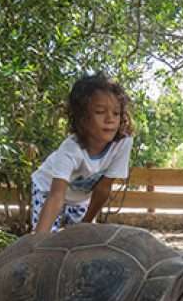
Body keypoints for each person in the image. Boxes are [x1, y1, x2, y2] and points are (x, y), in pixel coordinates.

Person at [31, 74, 134, 233]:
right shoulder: (71, 149)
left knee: (82, 239)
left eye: (116, 113)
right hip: (48, 190)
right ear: (82, 118)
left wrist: (86, 223)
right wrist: (38, 243)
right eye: (100, 112)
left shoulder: (122, 143)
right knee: (47, 241)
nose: (110, 119)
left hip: (79, 197)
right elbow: (56, 196)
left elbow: (103, 188)